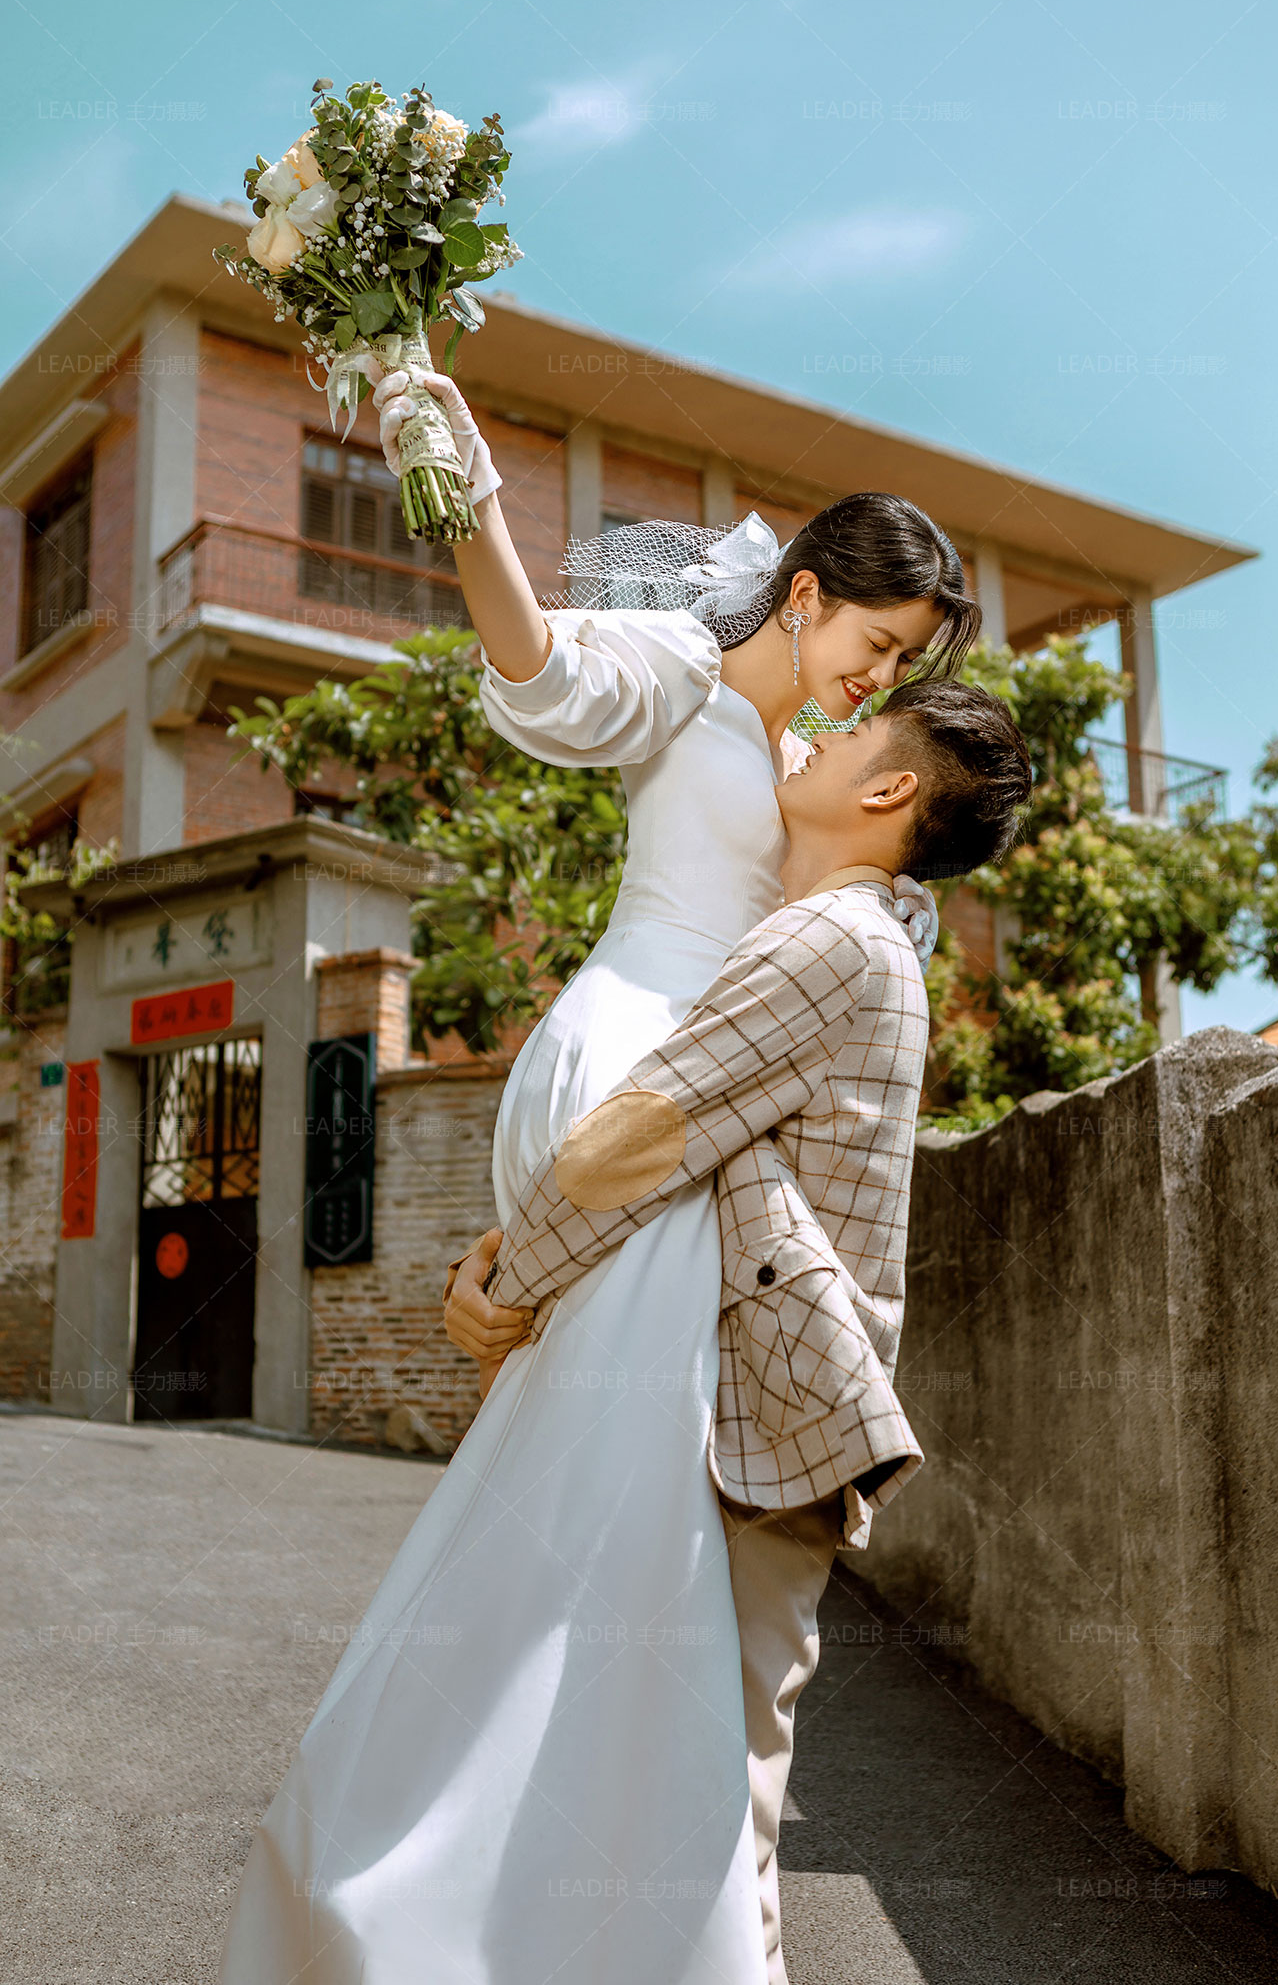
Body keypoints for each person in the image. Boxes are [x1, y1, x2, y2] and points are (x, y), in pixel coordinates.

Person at [216, 377, 981, 1984]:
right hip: (639, 1081)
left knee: (604, 1509)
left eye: (902, 669)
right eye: (876, 643)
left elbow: (853, 908)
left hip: (688, 1105)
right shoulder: (687, 680)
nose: (878, 680)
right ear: (805, 593)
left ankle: (529, 1889)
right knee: (619, 1512)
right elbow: (536, 664)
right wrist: (468, 496)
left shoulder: (812, 758)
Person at [443, 683, 1032, 1983]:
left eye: (846, 734)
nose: (810, 737)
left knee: (711, 1816)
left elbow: (640, 1135)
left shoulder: (828, 940)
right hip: (782, 1416)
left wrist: (502, 1289)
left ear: (887, 790)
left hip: (760, 1416)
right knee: (698, 1798)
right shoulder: (864, 933)